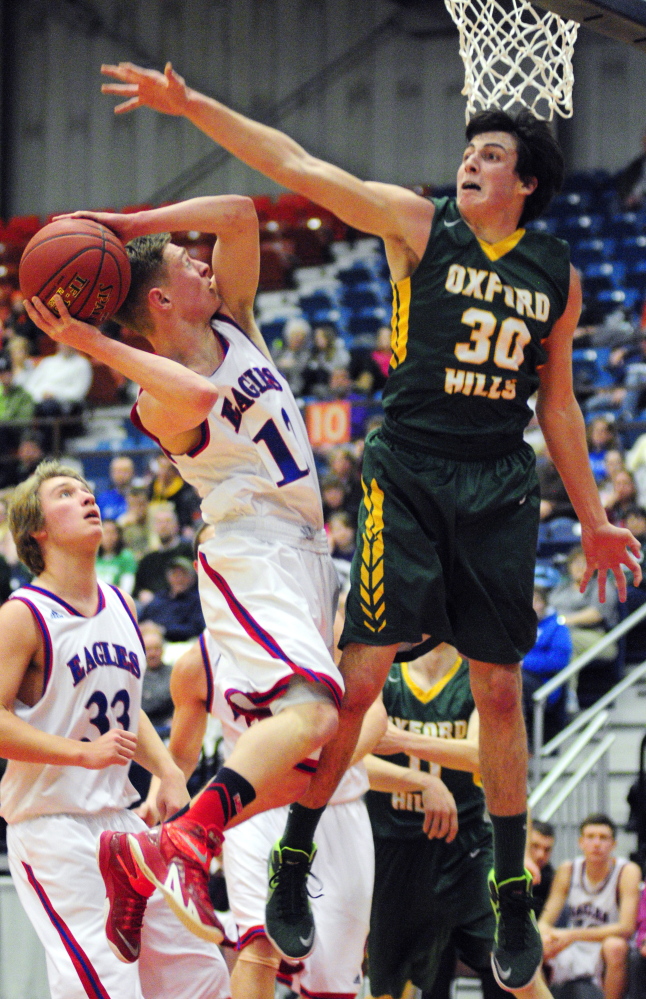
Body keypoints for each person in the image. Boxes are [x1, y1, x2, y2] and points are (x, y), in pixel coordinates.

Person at [97, 61, 643, 990]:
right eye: (470, 148)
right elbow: (298, 165)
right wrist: (193, 105)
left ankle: (510, 884)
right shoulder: (418, 222)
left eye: (492, 153)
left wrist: (591, 517)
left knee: (501, 693)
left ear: (528, 182)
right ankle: (291, 856)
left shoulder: (559, 274)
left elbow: (556, 402)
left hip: (500, 479)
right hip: (411, 470)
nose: (472, 160)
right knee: (354, 686)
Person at [24, 188, 343, 965]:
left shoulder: (232, 318)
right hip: (252, 550)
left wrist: (131, 226)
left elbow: (237, 211)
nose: (204, 258)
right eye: (183, 262)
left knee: (311, 766)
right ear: (163, 298)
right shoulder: (154, 401)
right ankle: (182, 840)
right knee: (316, 719)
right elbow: (202, 395)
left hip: (305, 553)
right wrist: (88, 340)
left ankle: (156, 848)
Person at [0, 460, 229, 999]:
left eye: (86, 490)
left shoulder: (122, 605)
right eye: (65, 494)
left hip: (121, 823)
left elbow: (127, 708)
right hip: (51, 826)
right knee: (107, 984)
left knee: (200, 973)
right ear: (36, 527)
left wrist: (169, 769)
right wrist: (80, 754)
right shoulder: (22, 614)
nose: (86, 498)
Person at [142, 620, 383, 999]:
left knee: (333, 976)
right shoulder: (199, 663)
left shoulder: (323, 626)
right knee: (256, 947)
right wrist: (157, 793)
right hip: (254, 810)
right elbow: (182, 756)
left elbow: (375, 718)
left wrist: (314, 770)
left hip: (335, 806)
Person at [364, 641, 509, 999]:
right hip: (392, 845)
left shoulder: (477, 675)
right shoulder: (383, 671)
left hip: (465, 847)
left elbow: (481, 755)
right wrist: (424, 781)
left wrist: (401, 739)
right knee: (391, 982)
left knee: (506, 960)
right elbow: (353, 759)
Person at [539, 814, 641, 999]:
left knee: (615, 947)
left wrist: (571, 935)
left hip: (604, 945)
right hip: (572, 944)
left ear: (614, 845)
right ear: (580, 842)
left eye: (603, 838)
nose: (596, 843)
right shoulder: (568, 869)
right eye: (590, 837)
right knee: (536, 946)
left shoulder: (627, 871)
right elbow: (545, 921)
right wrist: (546, 937)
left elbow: (626, 928)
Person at [521, 587, 572, 747]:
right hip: (520, 675)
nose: (532, 606)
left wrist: (522, 662)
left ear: (544, 604)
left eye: (536, 601)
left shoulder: (557, 627)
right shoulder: (516, 627)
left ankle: (521, 745)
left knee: (513, 682)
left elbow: (558, 660)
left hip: (544, 683)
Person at [133, 504, 193, 603]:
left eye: (168, 521)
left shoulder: (188, 551)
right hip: (153, 607)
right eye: (159, 522)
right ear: (154, 527)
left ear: (176, 525)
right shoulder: (147, 559)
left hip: (183, 603)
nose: (163, 526)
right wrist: (142, 594)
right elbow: (137, 589)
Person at [139, 555, 206, 642]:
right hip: (148, 640)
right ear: (168, 577)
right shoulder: (159, 597)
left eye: (183, 574)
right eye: (175, 574)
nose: (179, 578)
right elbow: (142, 619)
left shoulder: (197, 600)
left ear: (192, 578)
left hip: (178, 644)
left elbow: (196, 629)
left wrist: (163, 630)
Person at [95, 518, 137, 593]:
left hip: (117, 599)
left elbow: (127, 589)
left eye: (113, 533)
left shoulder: (126, 557)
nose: (109, 537)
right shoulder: (91, 556)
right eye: (106, 533)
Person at [528, 820, 556, 919]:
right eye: (535, 846)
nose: (541, 855)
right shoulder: (501, 870)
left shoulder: (552, 881)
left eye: (547, 850)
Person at [96, 454, 136, 522]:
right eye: (118, 471)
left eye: (125, 471)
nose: (121, 475)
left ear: (133, 473)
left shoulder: (139, 498)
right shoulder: (102, 499)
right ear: (111, 473)